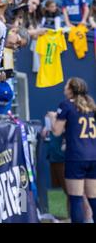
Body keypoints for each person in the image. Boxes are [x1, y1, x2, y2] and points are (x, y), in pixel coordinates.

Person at [47, 77, 96, 223]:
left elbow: (56, 131)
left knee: (76, 199)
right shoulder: (92, 106)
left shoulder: (66, 105)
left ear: (71, 90)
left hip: (76, 156)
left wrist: (52, 118)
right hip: (93, 156)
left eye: (66, 86)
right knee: (93, 198)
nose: (64, 89)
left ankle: (60, 215)